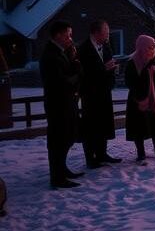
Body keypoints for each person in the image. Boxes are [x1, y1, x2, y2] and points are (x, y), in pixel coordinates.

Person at [40, 20, 84, 188]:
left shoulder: (61, 52)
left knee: (67, 137)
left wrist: (74, 62)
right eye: (68, 35)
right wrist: (77, 74)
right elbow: (60, 82)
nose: (70, 39)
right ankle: (57, 177)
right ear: (58, 35)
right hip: (58, 105)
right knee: (58, 140)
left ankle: (62, 169)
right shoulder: (50, 55)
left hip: (66, 103)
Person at [78, 19, 121, 168]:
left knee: (104, 123)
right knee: (91, 125)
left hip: (104, 91)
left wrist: (112, 71)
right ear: (96, 33)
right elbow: (84, 73)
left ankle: (102, 153)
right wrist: (104, 68)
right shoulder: (83, 49)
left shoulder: (106, 46)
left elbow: (108, 64)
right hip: (90, 94)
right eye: (106, 33)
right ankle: (90, 158)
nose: (108, 36)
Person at [125, 35, 155, 163]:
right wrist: (145, 72)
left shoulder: (154, 60)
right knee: (139, 125)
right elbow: (130, 82)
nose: (153, 49)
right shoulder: (132, 62)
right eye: (150, 47)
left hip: (153, 98)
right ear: (142, 47)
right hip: (138, 99)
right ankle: (141, 153)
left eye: (154, 47)